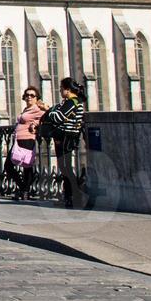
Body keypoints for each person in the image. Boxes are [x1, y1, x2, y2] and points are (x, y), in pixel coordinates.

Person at [46, 77, 87, 208]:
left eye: (61, 88)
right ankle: (71, 195)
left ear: (68, 90)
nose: (60, 91)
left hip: (66, 138)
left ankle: (74, 194)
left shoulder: (72, 102)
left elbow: (58, 117)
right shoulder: (74, 101)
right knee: (65, 167)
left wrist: (48, 110)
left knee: (65, 167)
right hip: (68, 137)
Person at [7, 87, 46, 200]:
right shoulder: (26, 109)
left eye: (32, 95)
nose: (29, 97)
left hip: (28, 139)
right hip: (19, 140)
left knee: (26, 166)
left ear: (37, 98)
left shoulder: (37, 109)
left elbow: (46, 117)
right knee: (10, 166)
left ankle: (25, 190)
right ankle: (24, 189)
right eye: (27, 95)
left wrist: (36, 124)